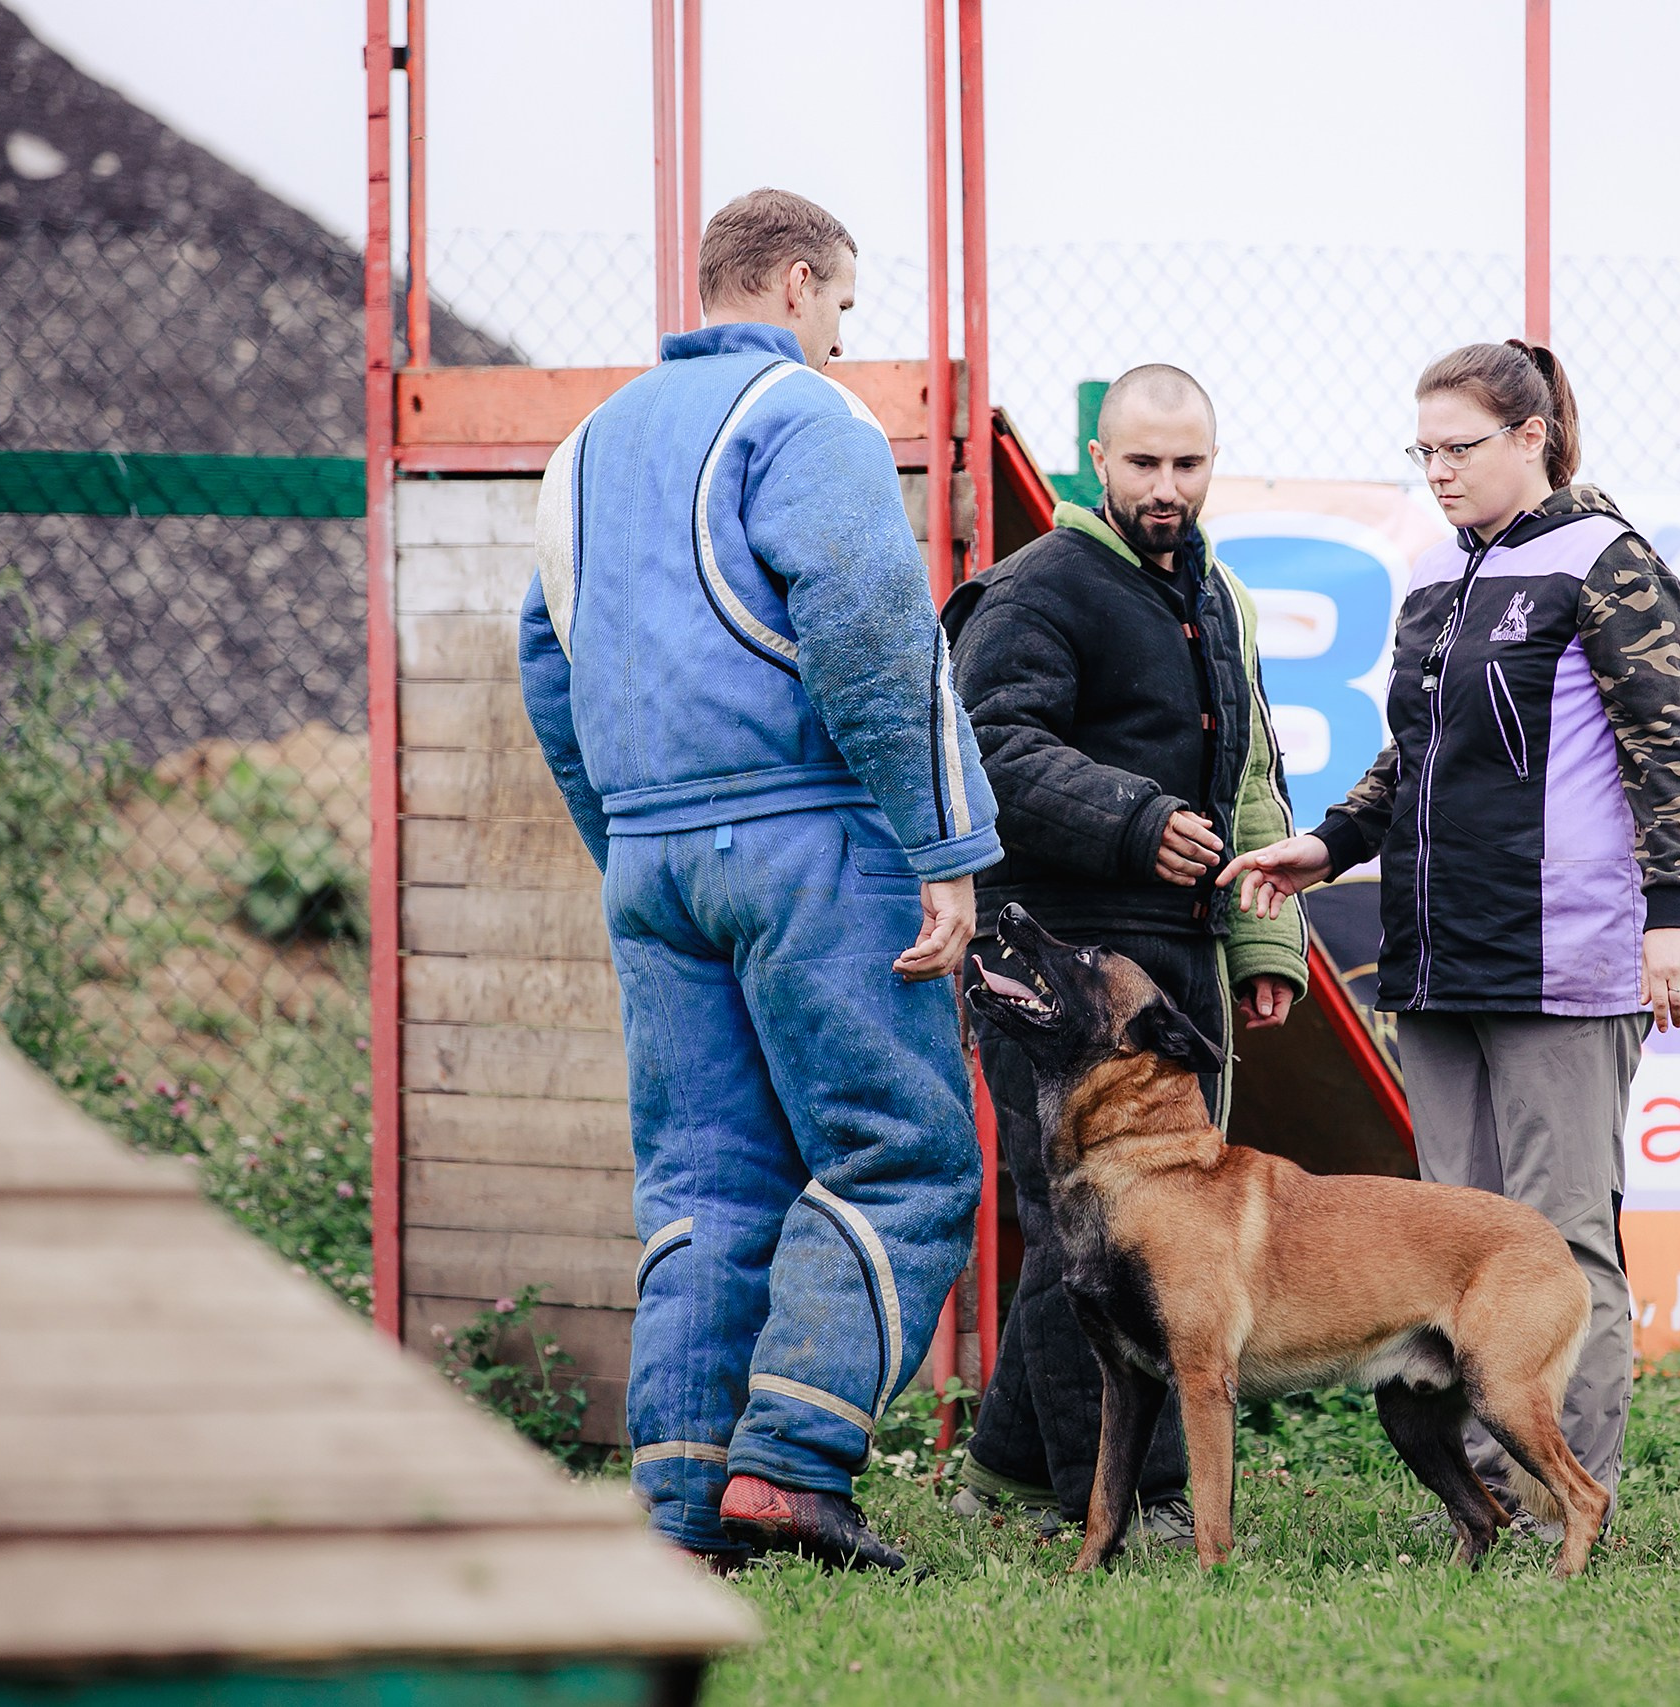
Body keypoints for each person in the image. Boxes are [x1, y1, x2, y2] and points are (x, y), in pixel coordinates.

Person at [518, 188, 1002, 1572]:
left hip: (655, 856)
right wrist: (947, 845)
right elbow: (865, 621)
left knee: (704, 1180)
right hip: (810, 840)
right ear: (795, 283)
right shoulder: (802, 416)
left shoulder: (588, 449)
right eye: (843, 306)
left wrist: (628, 847)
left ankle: (676, 1507)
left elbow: (546, 664)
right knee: (900, 1156)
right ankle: (789, 1468)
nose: (844, 339)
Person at [1220, 339, 1680, 1530]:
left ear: (1531, 436)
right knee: (1453, 1238)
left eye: (1458, 448)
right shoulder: (1437, 583)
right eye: (1421, 450)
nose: (1435, 472)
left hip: (1566, 959)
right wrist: (1326, 847)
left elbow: (1666, 752)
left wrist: (1676, 918)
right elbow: (1412, 765)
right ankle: (1488, 1500)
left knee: (1558, 1243)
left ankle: (1559, 1509)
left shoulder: (1609, 561)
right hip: (1434, 961)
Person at [939, 364, 1308, 1540]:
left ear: (1211, 463)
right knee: (1087, 1235)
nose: (1165, 486)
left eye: (1187, 464)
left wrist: (1262, 939)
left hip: (1176, 959)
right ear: (1097, 458)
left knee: (1125, 1234)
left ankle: (1007, 1470)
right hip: (1051, 966)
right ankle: (1117, 1501)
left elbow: (1249, 780)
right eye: (1143, 462)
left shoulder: (1218, 594)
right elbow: (990, 746)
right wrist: (1134, 821)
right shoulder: (1036, 589)